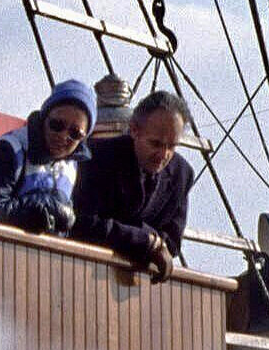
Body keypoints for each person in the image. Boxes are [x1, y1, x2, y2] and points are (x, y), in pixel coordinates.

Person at [73, 90, 196, 279]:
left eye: (171, 146)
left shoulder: (182, 174)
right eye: (155, 143)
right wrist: (147, 240)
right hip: (85, 271)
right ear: (134, 130)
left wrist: (144, 239)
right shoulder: (97, 158)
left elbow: (172, 243)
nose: (163, 155)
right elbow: (83, 223)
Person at [0, 79, 96, 235]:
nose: (63, 136)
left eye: (75, 133)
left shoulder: (71, 165)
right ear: (45, 118)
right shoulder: (8, 151)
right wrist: (38, 209)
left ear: (83, 138)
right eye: (57, 125)